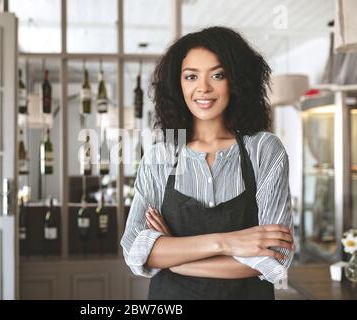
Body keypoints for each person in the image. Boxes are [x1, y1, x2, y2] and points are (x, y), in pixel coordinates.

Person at [120, 26, 294, 300]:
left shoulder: (264, 150)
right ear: (178, 85)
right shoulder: (159, 156)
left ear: (236, 81)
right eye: (191, 76)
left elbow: (275, 258)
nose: (203, 88)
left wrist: (174, 257)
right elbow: (135, 250)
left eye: (218, 75)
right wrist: (227, 242)